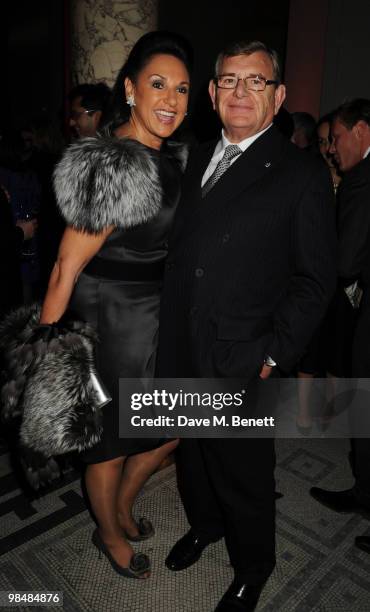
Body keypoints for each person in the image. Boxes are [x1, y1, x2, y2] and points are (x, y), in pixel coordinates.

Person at [156, 40, 336, 611]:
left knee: (244, 472)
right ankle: (206, 527)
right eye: (229, 80)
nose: (239, 92)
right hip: (185, 345)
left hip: (244, 355)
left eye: (255, 82)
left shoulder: (301, 172)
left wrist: (274, 356)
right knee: (195, 459)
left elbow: (315, 281)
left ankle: (253, 565)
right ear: (211, 94)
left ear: (278, 96)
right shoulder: (194, 156)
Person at [39, 31, 192, 578]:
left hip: (154, 313)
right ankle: (108, 532)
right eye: (157, 84)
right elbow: (65, 264)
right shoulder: (112, 162)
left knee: (169, 426)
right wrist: (47, 351)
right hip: (112, 317)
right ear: (130, 89)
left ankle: (122, 506)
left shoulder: (165, 156)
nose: (171, 99)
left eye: (181, 88)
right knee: (109, 442)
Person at [310, 98, 370, 555]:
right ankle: (363, 491)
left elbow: (347, 260)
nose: (334, 149)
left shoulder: (360, 181)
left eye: (339, 138)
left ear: (361, 132)